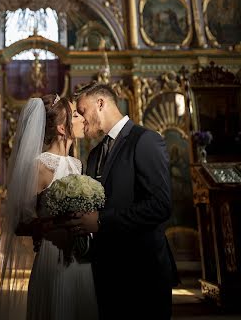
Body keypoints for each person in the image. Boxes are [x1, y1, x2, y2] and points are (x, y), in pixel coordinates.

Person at [69, 82, 176, 319]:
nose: (81, 119)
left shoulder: (145, 140)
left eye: (82, 111)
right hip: (106, 272)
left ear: (100, 103)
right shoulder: (96, 153)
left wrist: (101, 221)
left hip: (142, 271)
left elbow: (160, 206)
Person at [0, 94, 98, 320]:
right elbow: (19, 224)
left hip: (81, 257)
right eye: (76, 115)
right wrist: (55, 223)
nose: (83, 119)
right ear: (60, 128)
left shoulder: (78, 164)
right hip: (53, 255)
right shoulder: (39, 166)